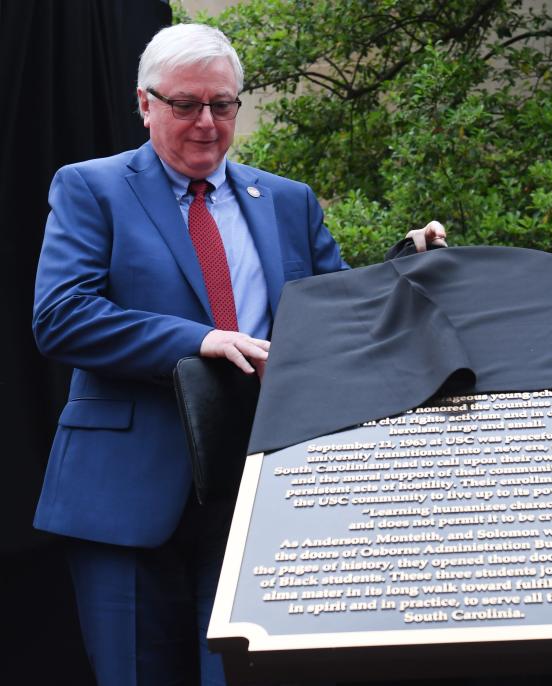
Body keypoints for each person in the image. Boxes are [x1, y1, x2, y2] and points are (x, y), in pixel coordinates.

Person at [32, 23, 445, 686]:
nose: (206, 123)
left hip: (260, 497)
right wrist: (196, 339)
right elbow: (62, 318)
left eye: (222, 105)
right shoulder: (92, 188)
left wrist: (403, 265)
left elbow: (330, 316)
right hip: (129, 497)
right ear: (145, 104)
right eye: (185, 105)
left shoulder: (286, 200)